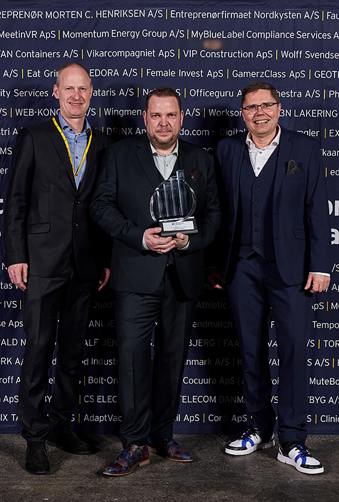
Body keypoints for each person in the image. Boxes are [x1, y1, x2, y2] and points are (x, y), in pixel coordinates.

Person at [91, 86, 221, 476]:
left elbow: (214, 213)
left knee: (171, 360)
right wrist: (138, 235)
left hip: (183, 276)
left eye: (171, 115)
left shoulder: (201, 159)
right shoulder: (119, 154)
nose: (163, 122)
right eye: (155, 115)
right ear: (144, 118)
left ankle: (161, 436)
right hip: (135, 273)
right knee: (132, 361)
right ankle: (133, 444)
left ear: (182, 117)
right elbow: (100, 205)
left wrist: (189, 239)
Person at [209, 81, 331, 475]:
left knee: (294, 350)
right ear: (242, 113)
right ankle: (258, 426)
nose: (259, 113)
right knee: (250, 350)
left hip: (292, 268)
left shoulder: (305, 147)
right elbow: (219, 211)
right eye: (251, 108)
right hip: (242, 265)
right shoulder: (227, 149)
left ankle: (292, 439)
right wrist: (216, 263)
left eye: (266, 105)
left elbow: (318, 209)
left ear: (279, 108)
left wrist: (321, 264)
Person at [4, 62, 112, 475]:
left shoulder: (101, 143)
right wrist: (16, 254)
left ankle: (61, 426)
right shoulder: (33, 136)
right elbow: (15, 201)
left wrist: (102, 259)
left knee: (72, 355)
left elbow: (102, 207)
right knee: (37, 351)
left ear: (90, 93)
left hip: (85, 265)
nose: (76, 96)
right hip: (42, 264)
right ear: (56, 91)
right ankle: (34, 438)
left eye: (83, 89)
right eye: (69, 89)